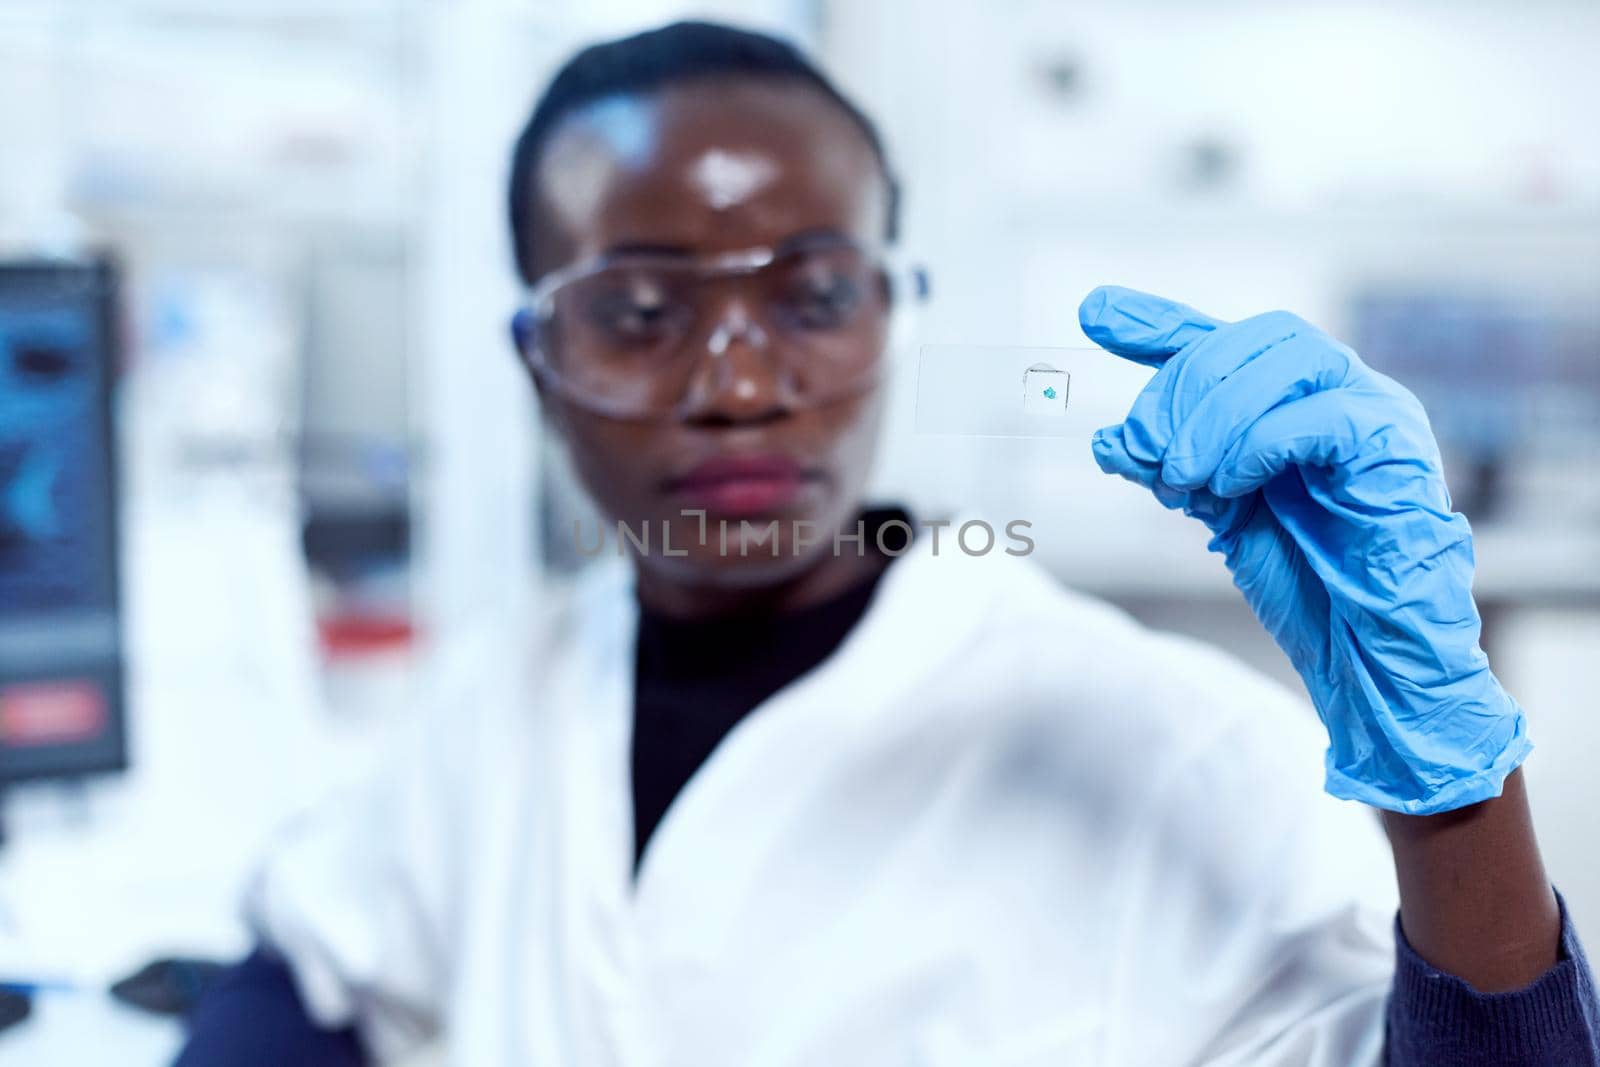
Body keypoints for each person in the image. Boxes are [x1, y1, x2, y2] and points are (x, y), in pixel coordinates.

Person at [175, 20, 1600, 1066]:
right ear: (539, 354)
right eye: (642, 309)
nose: (741, 384)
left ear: (889, 311)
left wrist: (1450, 808)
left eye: (814, 295)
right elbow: (310, 970)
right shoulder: (513, 691)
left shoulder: (1172, 747)